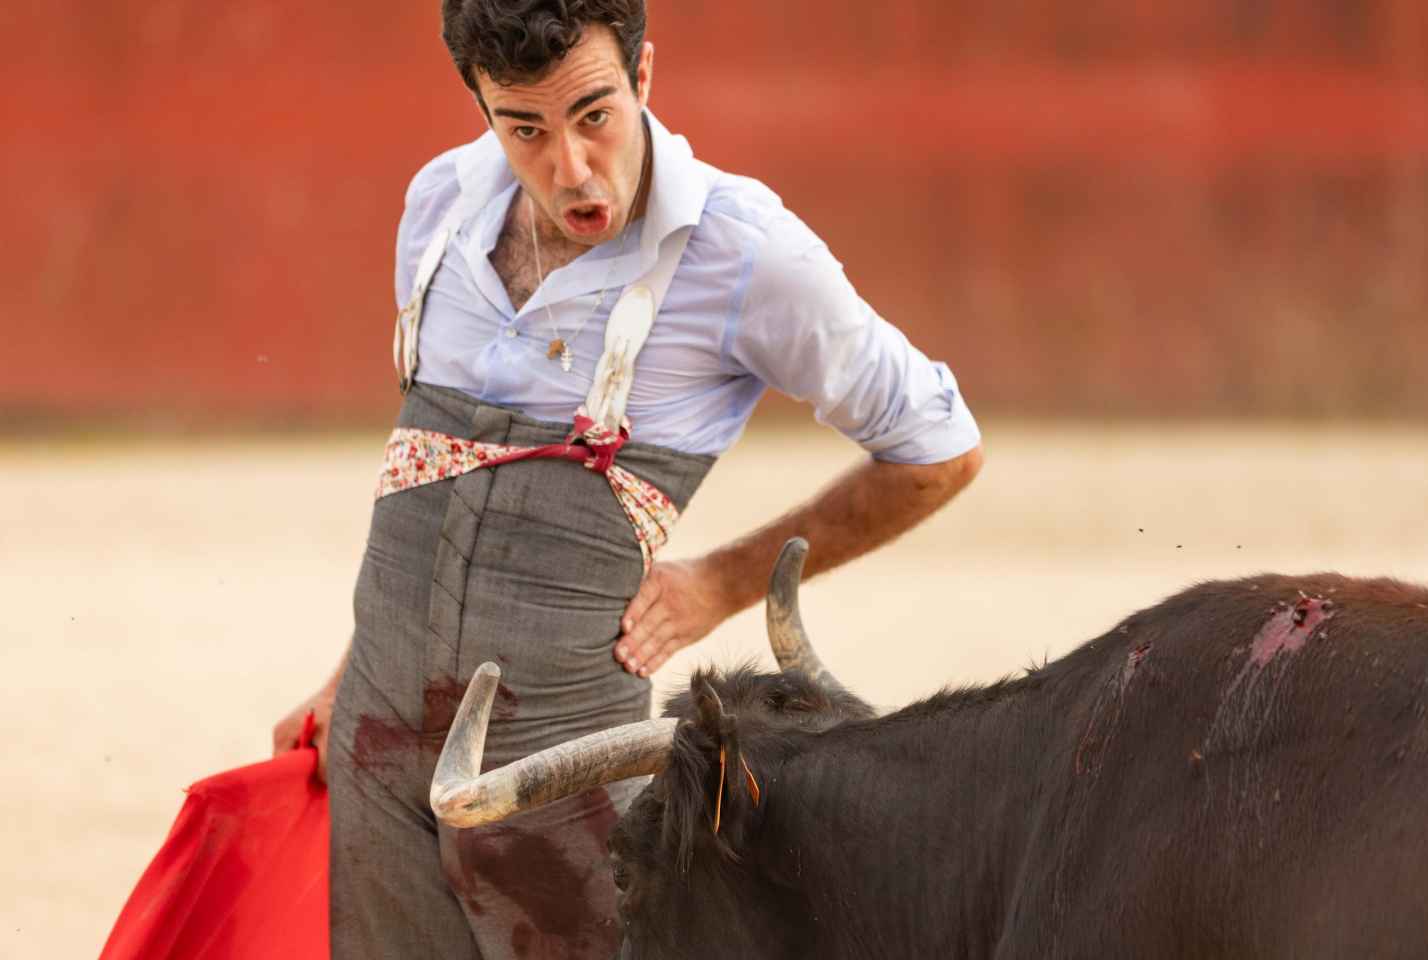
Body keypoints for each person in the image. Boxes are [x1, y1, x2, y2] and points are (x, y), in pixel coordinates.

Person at [268, 1, 982, 957]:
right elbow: (428, 483)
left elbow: (939, 447)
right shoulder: (438, 206)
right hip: (376, 745)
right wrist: (349, 672)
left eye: (594, 115)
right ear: (480, 106)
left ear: (645, 75)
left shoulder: (743, 252)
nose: (569, 167)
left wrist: (721, 584)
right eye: (524, 128)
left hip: (565, 762)